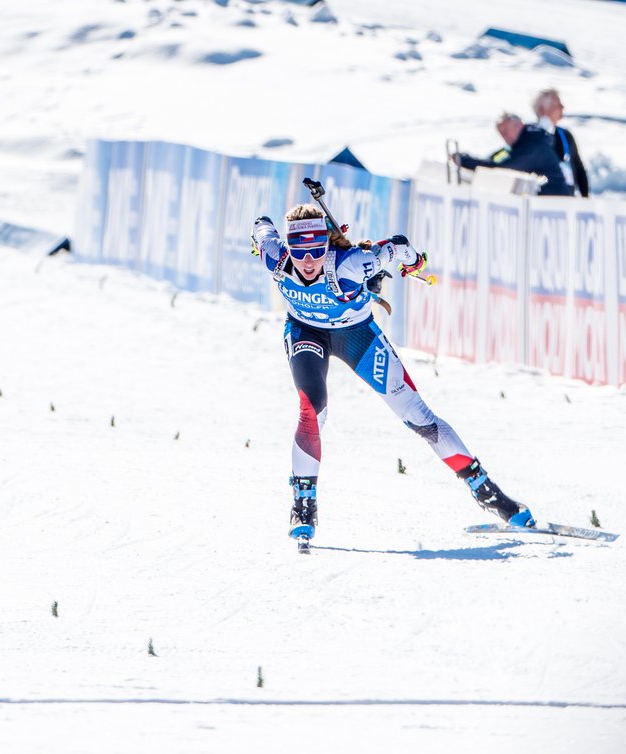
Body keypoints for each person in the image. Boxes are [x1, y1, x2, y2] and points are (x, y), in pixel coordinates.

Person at [251, 203, 534, 547]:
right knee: (312, 409)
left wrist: (414, 262)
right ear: (288, 247)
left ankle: (487, 492)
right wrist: (261, 232)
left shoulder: (352, 263)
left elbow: (398, 246)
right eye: (299, 251)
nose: (307, 261)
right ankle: (303, 505)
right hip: (306, 333)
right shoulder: (276, 258)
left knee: (420, 418)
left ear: (327, 242)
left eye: (315, 250)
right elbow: (262, 227)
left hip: (357, 337)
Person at [452, 112, 571, 196]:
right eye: (501, 133)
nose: (504, 136)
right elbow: (494, 160)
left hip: (555, 204)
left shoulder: (534, 146)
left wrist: (464, 160)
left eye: (506, 130)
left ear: (519, 125)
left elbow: (502, 169)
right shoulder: (515, 148)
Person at [534, 88, 590, 197]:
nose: (562, 108)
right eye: (556, 105)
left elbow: (579, 169)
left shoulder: (566, 135)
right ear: (542, 109)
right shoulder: (531, 136)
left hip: (566, 200)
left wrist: (585, 197)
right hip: (542, 200)